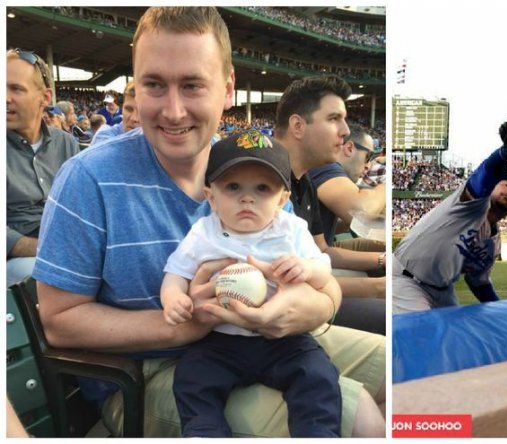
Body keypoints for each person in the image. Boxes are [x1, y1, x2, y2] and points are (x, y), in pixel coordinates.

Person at [33, 7, 384, 438]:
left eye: (193, 85)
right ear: (135, 87)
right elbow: (58, 321)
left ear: (228, 88)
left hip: (273, 339)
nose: (174, 111)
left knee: (405, 368)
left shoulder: (251, 168)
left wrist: (311, 307)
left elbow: (320, 281)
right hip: (152, 370)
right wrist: (184, 320)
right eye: (154, 85)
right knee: (358, 415)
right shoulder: (87, 177)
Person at [161, 131, 342, 437]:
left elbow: (325, 272)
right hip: (220, 340)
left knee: (317, 375)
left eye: (262, 188)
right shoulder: (204, 232)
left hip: (284, 340)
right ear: (211, 197)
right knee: (191, 379)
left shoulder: (292, 229)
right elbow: (175, 273)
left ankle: (317, 434)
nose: (248, 198)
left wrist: (306, 269)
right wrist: (173, 299)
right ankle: (205, 433)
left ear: (283, 199)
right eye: (233, 187)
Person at [275, 76, 386, 334]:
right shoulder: (263, 181)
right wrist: (379, 287)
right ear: (298, 126)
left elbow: (323, 251)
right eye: (334, 118)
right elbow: (290, 281)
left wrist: (381, 262)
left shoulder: (305, 179)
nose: (346, 130)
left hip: (311, 290)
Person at [393, 144, 507, 313]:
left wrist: (502, 310)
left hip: (443, 291)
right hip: (407, 279)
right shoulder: (471, 206)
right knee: (425, 333)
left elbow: (479, 283)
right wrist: (506, 151)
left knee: (456, 335)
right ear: (493, 185)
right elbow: (486, 173)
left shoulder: (493, 244)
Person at [6, 48, 80, 287]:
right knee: (53, 278)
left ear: (45, 98)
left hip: (65, 245)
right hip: (20, 257)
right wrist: (45, 248)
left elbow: (82, 206)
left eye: (15, 89)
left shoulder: (66, 142)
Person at [309, 123, 385, 250]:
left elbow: (320, 228)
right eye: (368, 157)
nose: (368, 166)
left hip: (321, 249)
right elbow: (362, 213)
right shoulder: (326, 166)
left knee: (384, 248)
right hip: (312, 260)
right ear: (349, 148)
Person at [91, 81, 140, 146]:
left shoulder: (120, 111)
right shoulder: (101, 112)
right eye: (128, 109)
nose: (134, 118)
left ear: (115, 99)